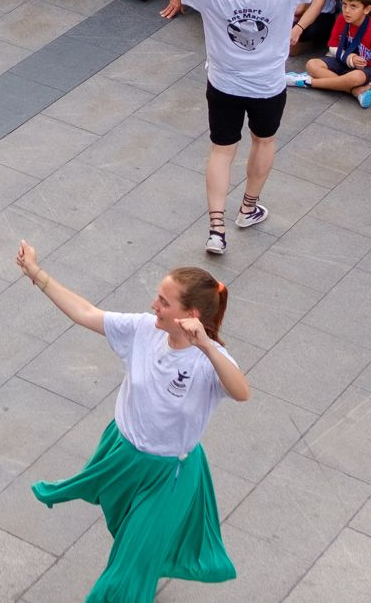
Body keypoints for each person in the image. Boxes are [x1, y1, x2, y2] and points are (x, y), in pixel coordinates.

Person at [83, 0, 371, 255]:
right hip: (267, 87)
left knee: (222, 151)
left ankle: (216, 229)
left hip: (223, 84)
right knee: (263, 142)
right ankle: (248, 209)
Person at [16, 245, 244, 601]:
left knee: (127, 569)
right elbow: (86, 313)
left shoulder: (208, 361)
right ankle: (146, 565)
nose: (155, 305)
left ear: (192, 314)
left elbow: (241, 391)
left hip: (168, 475)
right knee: (126, 532)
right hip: (121, 455)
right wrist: (37, 273)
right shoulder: (143, 330)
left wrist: (208, 348)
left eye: (164, 302)